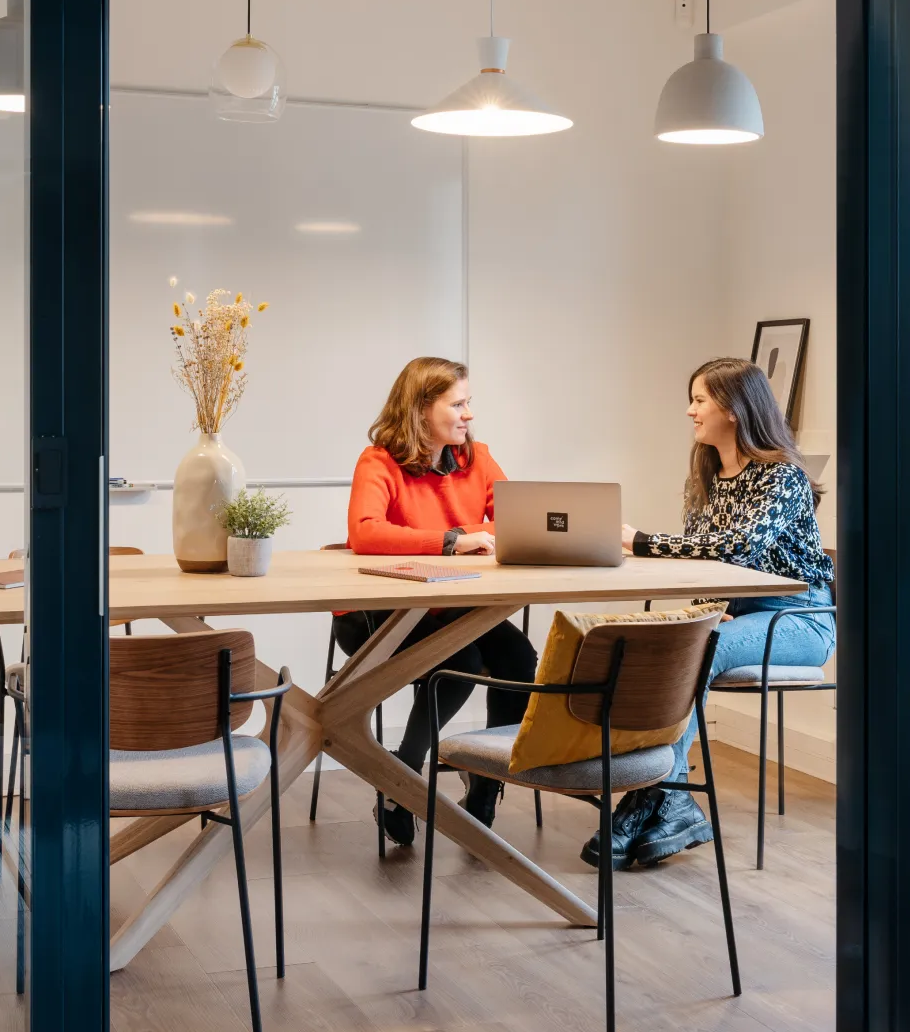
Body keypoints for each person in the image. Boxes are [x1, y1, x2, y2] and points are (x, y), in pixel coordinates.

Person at [583, 356, 836, 870]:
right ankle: (663, 796)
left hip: (799, 618)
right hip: (735, 611)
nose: (689, 411)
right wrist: (708, 607)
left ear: (735, 410)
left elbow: (736, 547)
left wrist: (643, 541)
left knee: (702, 647)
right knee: (667, 645)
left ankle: (658, 794)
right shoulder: (709, 473)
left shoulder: (782, 476)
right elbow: (706, 558)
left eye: (699, 400)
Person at [337, 356, 538, 846]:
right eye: (459, 403)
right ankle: (404, 778)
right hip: (377, 616)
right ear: (423, 407)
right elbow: (365, 534)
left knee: (519, 657)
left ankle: (486, 793)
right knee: (463, 657)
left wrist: (468, 534)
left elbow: (517, 519)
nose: (469, 414)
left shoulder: (478, 458)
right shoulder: (379, 461)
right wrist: (452, 539)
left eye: (469, 403)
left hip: (453, 607)